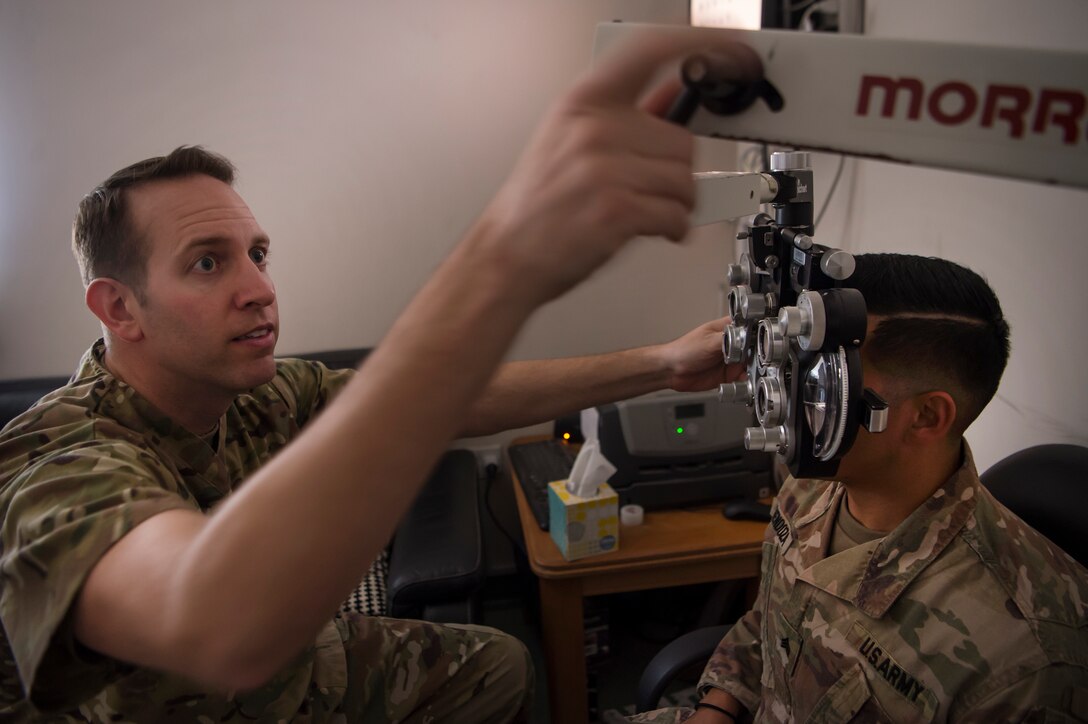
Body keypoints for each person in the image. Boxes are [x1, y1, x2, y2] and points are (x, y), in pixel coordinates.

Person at [0, 30, 759, 722]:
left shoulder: (259, 391)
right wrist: (501, 263)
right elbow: (216, 625)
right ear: (119, 308)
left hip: (280, 680)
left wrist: (661, 363)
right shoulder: (57, 465)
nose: (258, 288)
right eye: (207, 263)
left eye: (257, 255)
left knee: (495, 666)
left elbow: (452, 400)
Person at [632, 253, 1088, 723]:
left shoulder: (1022, 664)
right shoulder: (813, 485)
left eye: (824, 382)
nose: (791, 399)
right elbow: (766, 625)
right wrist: (717, 709)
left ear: (927, 417)